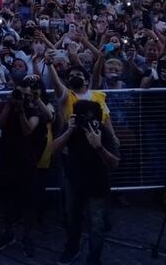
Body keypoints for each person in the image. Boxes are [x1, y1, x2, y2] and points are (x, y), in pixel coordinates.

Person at [50, 98, 120, 265]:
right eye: (83, 117)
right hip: (74, 182)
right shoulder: (73, 128)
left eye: (90, 117)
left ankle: (94, 258)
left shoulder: (103, 132)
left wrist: (98, 146)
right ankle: (72, 248)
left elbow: (114, 163)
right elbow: (53, 149)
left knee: (96, 225)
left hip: (97, 184)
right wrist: (69, 130)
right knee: (72, 219)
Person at [0, 74, 49, 258]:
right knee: (8, 200)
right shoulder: (7, 105)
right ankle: (8, 232)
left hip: (27, 161)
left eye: (25, 95)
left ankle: (27, 237)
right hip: (8, 159)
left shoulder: (33, 110)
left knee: (28, 203)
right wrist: (10, 105)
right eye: (19, 93)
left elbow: (27, 130)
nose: (22, 97)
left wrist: (21, 110)